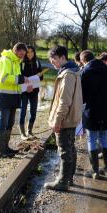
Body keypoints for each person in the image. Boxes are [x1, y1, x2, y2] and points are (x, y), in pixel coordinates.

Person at [44, 45, 82, 191]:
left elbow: (64, 101)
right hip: (72, 117)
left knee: (64, 149)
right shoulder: (73, 71)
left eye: (53, 59)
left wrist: (57, 120)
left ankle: (63, 181)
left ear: (62, 57)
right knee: (70, 147)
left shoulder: (67, 75)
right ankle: (69, 177)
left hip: (66, 119)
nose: (52, 62)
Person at [80, 50, 107, 179]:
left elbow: (82, 95)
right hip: (106, 110)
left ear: (84, 61)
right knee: (103, 137)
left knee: (91, 138)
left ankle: (95, 171)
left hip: (91, 111)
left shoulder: (85, 72)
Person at [0, 43, 30, 159]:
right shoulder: (5, 60)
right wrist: (20, 79)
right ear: (15, 51)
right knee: (3, 123)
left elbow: (16, 82)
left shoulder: (16, 62)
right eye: (20, 53)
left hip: (14, 97)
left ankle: (6, 148)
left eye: (23, 54)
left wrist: (25, 86)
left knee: (10, 123)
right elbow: (3, 78)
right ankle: (1, 151)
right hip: (4, 96)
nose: (22, 56)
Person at [19, 45, 43, 140]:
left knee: (33, 112)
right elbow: (19, 77)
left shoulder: (37, 62)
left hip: (34, 91)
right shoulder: (21, 62)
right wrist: (26, 84)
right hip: (24, 91)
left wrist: (38, 76)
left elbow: (41, 77)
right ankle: (22, 133)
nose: (30, 54)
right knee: (23, 112)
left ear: (34, 52)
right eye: (28, 52)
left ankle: (30, 131)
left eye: (32, 52)